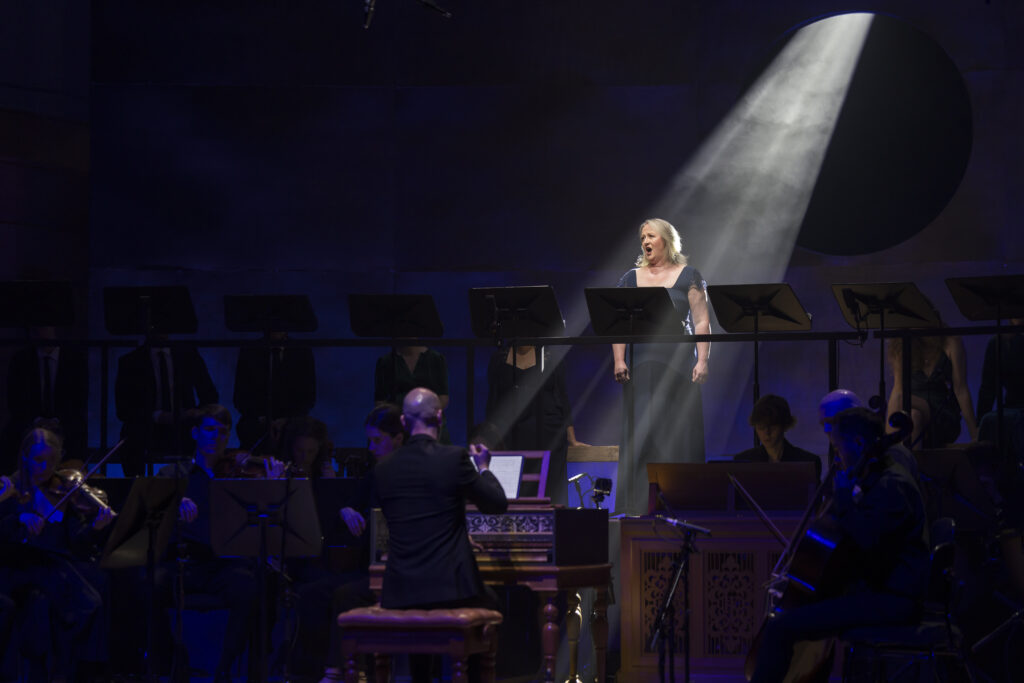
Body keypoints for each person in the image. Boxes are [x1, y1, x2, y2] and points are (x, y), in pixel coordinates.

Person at [748, 407, 929, 683]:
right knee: (791, 622)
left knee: (779, 628)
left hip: (892, 600)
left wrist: (844, 497)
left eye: (838, 448)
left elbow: (867, 540)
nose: (838, 458)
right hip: (877, 592)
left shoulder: (893, 486)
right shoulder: (878, 480)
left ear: (858, 443)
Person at [374, 387, 508, 683]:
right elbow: (497, 505)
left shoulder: (384, 469)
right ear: (440, 417)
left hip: (401, 590)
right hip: (450, 589)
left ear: (405, 424)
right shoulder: (454, 459)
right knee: (492, 601)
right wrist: (483, 467)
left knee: (421, 618)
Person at [155, 405, 261, 683]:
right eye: (210, 430)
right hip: (184, 562)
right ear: (195, 433)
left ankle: (224, 668)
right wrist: (175, 500)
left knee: (248, 586)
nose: (216, 437)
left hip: (224, 565)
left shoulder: (237, 475)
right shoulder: (174, 474)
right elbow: (151, 510)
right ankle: (174, 659)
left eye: (223, 432)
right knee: (151, 583)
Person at [0, 424, 113, 683]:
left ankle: (75, 669)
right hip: (19, 567)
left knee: (95, 593)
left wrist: (96, 529)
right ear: (25, 456)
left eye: (51, 462)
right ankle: (66, 668)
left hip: (55, 565)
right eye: (38, 460)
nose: (44, 469)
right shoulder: (9, 488)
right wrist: (20, 518)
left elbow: (77, 541)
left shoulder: (64, 490)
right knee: (80, 600)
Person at [612, 218, 710, 514]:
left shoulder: (688, 275)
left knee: (676, 435)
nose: (645, 241)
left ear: (666, 239)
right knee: (642, 433)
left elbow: (702, 320)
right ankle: (639, 507)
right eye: (642, 236)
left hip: (677, 367)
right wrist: (619, 359)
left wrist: (702, 359)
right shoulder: (631, 278)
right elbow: (618, 323)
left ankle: (682, 504)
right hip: (641, 367)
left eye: (650, 235)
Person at [313, 404, 405, 683]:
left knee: (346, 594)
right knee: (313, 592)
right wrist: (346, 510)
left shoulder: (409, 474)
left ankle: (342, 672)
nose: (371, 447)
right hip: (371, 568)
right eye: (369, 440)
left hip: (398, 571)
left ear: (398, 438)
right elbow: (350, 504)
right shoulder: (375, 474)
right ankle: (309, 670)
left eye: (378, 440)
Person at [486, 345, 587, 506]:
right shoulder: (499, 359)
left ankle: (550, 526)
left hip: (549, 432)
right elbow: (493, 400)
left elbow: (562, 397)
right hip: (512, 433)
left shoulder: (549, 356)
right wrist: (489, 438)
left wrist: (572, 439)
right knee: (512, 493)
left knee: (549, 493)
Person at [115, 334, 219, 476]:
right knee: (130, 438)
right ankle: (135, 488)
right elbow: (123, 409)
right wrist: (158, 416)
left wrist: (194, 413)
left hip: (184, 425)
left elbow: (209, 394)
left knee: (205, 433)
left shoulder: (188, 356)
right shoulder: (131, 361)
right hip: (147, 426)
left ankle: (199, 484)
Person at [1, 326, 89, 474]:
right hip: (30, 423)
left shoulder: (74, 359)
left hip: (65, 423)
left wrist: (57, 421)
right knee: (14, 434)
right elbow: (15, 401)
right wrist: (37, 420)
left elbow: (79, 400)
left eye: (48, 325)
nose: (42, 330)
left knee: (76, 432)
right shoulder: (21, 359)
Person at [886, 312, 978, 448]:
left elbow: (961, 390)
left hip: (942, 412)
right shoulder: (902, 344)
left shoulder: (950, 342)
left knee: (903, 402)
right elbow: (898, 389)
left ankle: (893, 451)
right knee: (914, 417)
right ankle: (910, 465)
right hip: (914, 411)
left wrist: (975, 434)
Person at [233, 330, 317, 450]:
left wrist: (287, 420)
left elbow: (308, 397)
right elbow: (240, 397)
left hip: (292, 425)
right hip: (256, 423)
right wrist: (262, 418)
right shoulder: (250, 350)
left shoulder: (302, 350)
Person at [732, 394, 822, 480]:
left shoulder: (808, 462)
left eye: (772, 426)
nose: (766, 432)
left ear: (784, 425)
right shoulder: (743, 462)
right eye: (761, 427)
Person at [374, 345, 451, 442]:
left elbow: (443, 398)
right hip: (398, 423)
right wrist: (402, 416)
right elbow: (380, 401)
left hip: (429, 420)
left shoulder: (435, 359)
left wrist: (424, 415)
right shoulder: (386, 361)